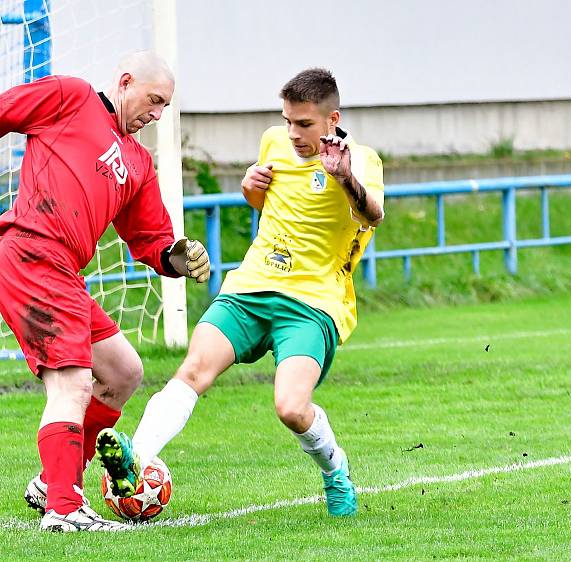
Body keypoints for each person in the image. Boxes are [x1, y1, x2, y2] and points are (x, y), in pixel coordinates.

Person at [0, 51, 210, 532]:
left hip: (64, 273)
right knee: (72, 385)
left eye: (165, 106)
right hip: (32, 254)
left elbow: (152, 241)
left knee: (123, 371)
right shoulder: (69, 97)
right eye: (154, 100)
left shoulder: (138, 162)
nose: (157, 114)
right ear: (125, 82)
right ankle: (64, 508)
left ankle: (54, 482)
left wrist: (178, 257)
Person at [95, 68, 384, 517]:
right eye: (288, 121)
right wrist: (250, 189)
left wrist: (344, 177)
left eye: (304, 124)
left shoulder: (360, 160)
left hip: (312, 304)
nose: (293, 133)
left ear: (333, 119)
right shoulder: (274, 142)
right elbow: (268, 202)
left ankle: (335, 470)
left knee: (291, 407)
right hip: (250, 288)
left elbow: (373, 214)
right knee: (192, 371)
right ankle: (139, 459)